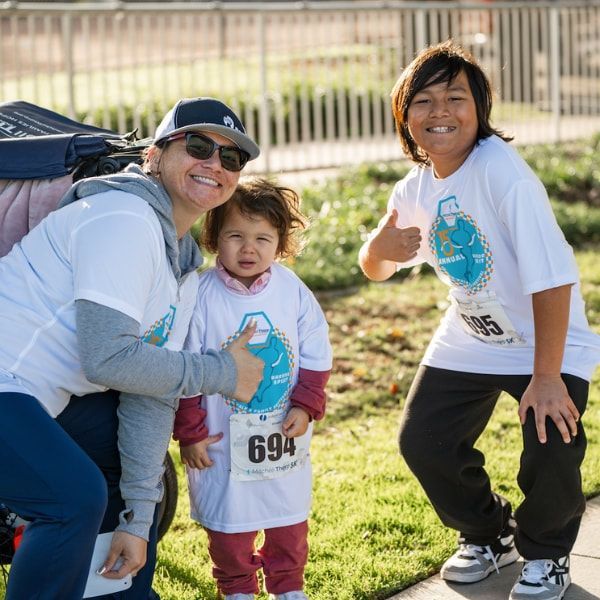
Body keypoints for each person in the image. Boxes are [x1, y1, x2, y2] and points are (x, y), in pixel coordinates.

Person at [358, 41, 600, 600]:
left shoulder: (502, 174)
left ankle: (547, 555)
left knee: (551, 436)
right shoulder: (417, 186)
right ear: (404, 114)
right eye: (423, 99)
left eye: (455, 97)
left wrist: (546, 378)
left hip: (547, 337)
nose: (439, 110)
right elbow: (376, 267)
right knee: (423, 441)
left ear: (480, 108)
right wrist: (377, 246)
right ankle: (489, 536)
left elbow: (553, 279)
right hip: (472, 335)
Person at [0, 97, 265, 600]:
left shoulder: (183, 266)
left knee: (116, 452)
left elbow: (152, 391)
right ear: (154, 155)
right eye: (199, 145)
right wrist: (222, 372)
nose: (214, 164)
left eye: (230, 159)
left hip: (34, 395)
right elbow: (110, 357)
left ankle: (124, 593)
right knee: (71, 498)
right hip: (7, 382)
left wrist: (139, 521)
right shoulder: (123, 217)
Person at [172, 177, 333, 600]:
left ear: (280, 243)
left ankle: (287, 588)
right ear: (213, 237)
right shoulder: (200, 294)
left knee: (288, 522)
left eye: (263, 238)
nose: (249, 248)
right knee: (229, 529)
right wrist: (190, 434)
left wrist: (306, 404)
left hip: (282, 436)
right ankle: (237, 589)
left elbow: (317, 353)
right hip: (221, 441)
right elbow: (185, 368)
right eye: (235, 236)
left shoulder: (292, 291)